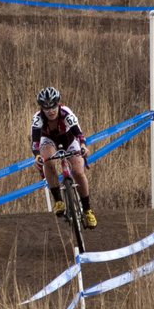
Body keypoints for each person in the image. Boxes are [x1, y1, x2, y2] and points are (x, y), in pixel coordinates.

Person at [30, 86, 96, 228]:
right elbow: (35, 143)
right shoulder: (37, 119)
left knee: (78, 172)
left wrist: (83, 146)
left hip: (69, 139)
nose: (51, 111)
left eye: (53, 106)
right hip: (49, 141)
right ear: (42, 108)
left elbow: (79, 134)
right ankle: (58, 200)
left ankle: (87, 210)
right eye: (46, 108)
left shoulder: (66, 113)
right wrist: (37, 157)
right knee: (47, 160)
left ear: (58, 103)